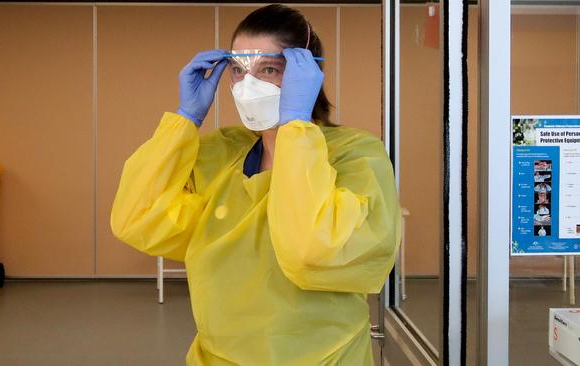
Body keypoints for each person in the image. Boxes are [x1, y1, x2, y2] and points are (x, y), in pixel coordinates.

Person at [111, 4, 400, 365]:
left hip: (323, 358)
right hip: (217, 357)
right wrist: (185, 121)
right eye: (237, 69)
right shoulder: (221, 152)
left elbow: (312, 253)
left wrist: (292, 129)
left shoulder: (356, 155)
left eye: (269, 69)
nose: (249, 84)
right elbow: (137, 219)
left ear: (304, 74)